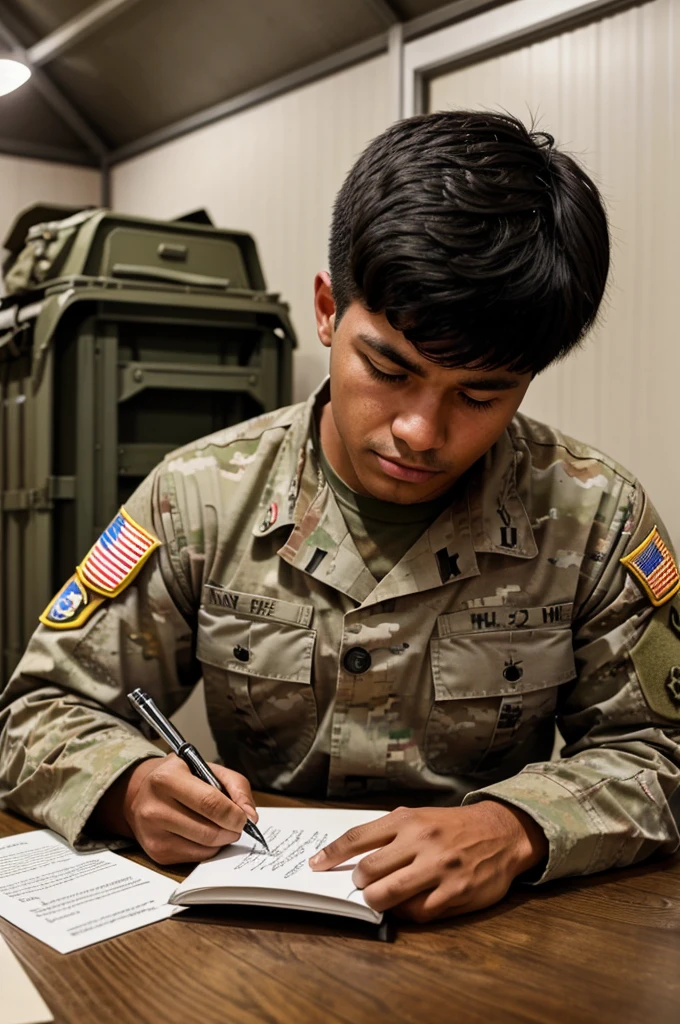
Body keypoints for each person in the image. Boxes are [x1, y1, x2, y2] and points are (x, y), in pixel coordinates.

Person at [1, 111, 679, 924]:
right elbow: (37, 712)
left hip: (492, 931)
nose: (420, 433)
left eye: (481, 395)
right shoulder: (201, 495)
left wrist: (518, 828)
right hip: (249, 927)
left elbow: (659, 753)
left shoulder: (595, 515)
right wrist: (130, 786)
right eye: (389, 368)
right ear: (328, 310)